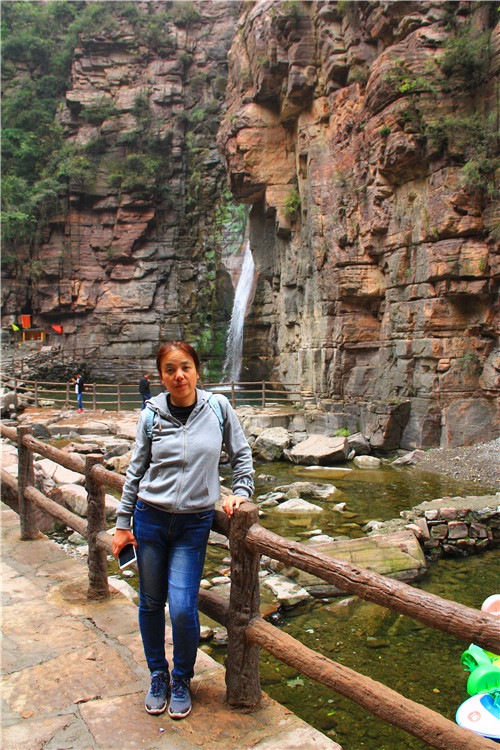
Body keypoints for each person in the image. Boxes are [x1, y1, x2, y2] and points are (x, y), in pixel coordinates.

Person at [112, 341, 254, 719]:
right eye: (170, 369)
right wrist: (122, 525)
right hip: (150, 518)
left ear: (197, 370)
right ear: (161, 377)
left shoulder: (218, 408)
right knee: (150, 602)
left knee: (182, 607)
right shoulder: (151, 415)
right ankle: (158, 674)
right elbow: (135, 472)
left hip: (194, 524)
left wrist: (241, 491)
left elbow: (241, 454)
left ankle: (181, 677)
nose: (179, 376)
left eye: (185, 367)